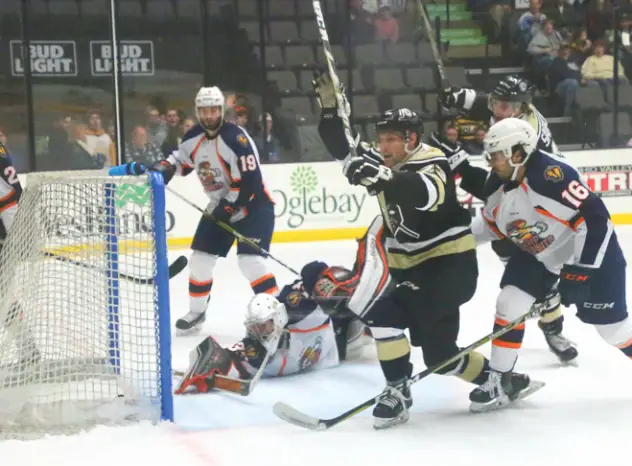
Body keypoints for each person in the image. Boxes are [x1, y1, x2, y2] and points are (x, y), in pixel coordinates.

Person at [312, 69, 504, 430]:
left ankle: (397, 390)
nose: (382, 147)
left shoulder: (431, 160)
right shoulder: (386, 162)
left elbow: (427, 194)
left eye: (390, 140)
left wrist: (384, 177)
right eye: (380, 140)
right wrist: (328, 110)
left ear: (411, 139)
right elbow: (341, 147)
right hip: (416, 269)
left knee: (382, 315)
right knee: (441, 356)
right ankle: (497, 379)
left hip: (450, 267)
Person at [467, 118, 631, 412]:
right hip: (541, 253)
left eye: (497, 155)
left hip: (590, 254)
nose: (491, 162)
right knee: (510, 303)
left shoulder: (551, 176)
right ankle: (501, 381)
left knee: (613, 331)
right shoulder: (497, 184)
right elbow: (491, 225)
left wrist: (581, 272)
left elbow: (596, 221)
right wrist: (453, 242)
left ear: (518, 153)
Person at [110, 86, 278, 335]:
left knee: (250, 262)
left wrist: (231, 205)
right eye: (204, 111)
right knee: (200, 261)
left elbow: (252, 179)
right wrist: (165, 167)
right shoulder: (193, 136)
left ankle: (276, 312)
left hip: (253, 205)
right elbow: (179, 158)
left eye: (214, 110)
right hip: (220, 205)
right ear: (198, 112)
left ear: (221, 111)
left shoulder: (236, 138)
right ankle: (197, 312)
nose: (209, 115)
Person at [436, 74, 578, 364]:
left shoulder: (525, 135)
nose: (497, 109)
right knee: (514, 263)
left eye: (504, 105)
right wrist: (459, 97)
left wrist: (459, 165)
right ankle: (542, 314)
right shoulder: (512, 115)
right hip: (515, 209)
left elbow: (495, 187)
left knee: (539, 280)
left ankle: (553, 328)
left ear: (519, 109)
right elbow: (484, 105)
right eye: (495, 103)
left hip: (540, 208)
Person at [175, 261, 369, 394]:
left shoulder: (304, 307)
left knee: (359, 324)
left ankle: (368, 328)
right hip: (332, 343)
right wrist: (219, 361)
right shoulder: (297, 310)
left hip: (332, 340)